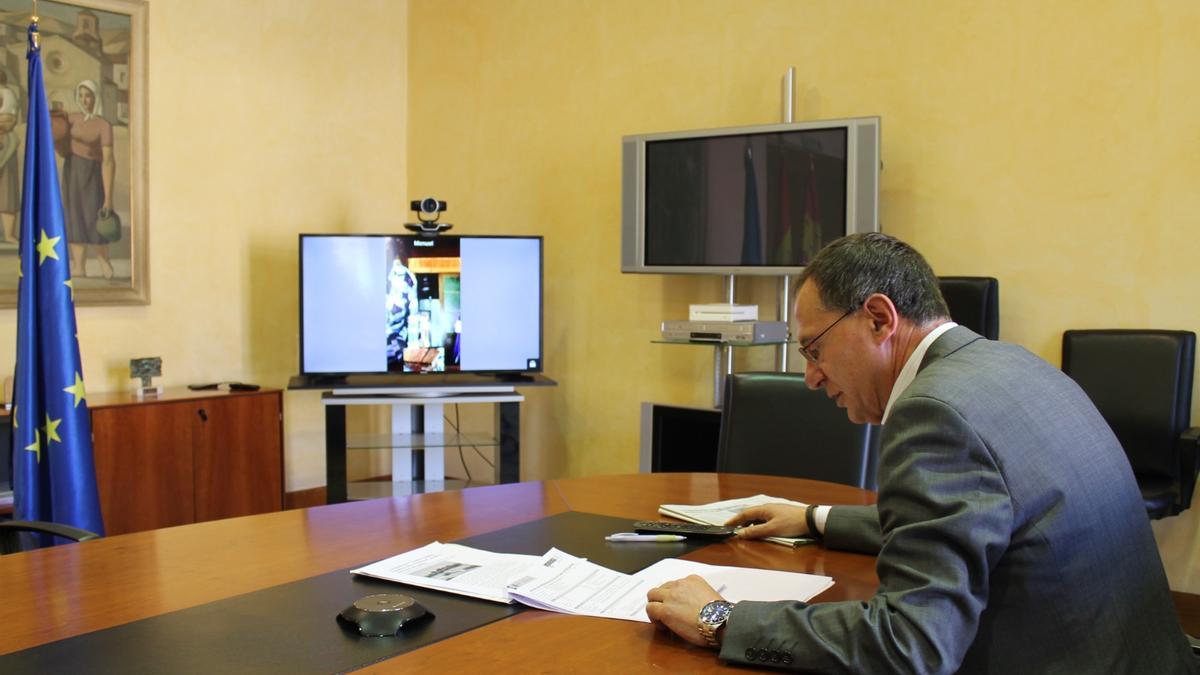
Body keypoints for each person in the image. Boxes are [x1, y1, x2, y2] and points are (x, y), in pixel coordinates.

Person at [646, 233, 1194, 673]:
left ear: (879, 319)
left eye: (815, 349)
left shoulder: (934, 411)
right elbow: (974, 520)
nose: (811, 378)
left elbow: (912, 646)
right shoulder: (1009, 364)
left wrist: (722, 619)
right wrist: (815, 519)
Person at [53, 79, 115, 279]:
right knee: (74, 218)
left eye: (88, 95)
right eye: (80, 95)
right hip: (72, 172)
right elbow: (54, 133)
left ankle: (104, 262)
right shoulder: (70, 119)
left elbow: (108, 161)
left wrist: (108, 197)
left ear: (95, 97)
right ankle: (79, 266)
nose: (84, 100)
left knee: (95, 216)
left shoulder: (103, 125)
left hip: (93, 174)